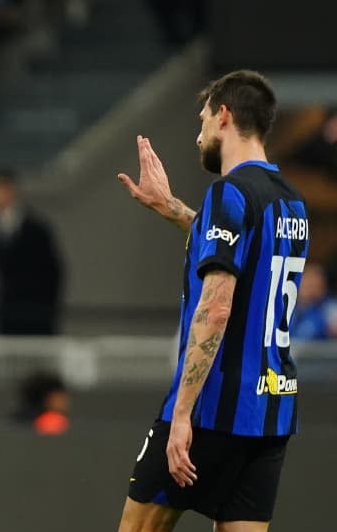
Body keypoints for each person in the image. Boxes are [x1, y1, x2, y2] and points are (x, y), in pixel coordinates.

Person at [116, 70, 308, 531]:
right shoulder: (291, 204)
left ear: (224, 116)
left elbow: (217, 306)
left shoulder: (230, 192)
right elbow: (242, 246)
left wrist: (182, 414)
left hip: (213, 408)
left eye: (202, 119)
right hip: (270, 414)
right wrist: (174, 209)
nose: (198, 133)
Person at [0, 168, 63, 334]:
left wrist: (45, 309)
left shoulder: (37, 228)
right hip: (8, 315)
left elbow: (53, 271)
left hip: (36, 315)